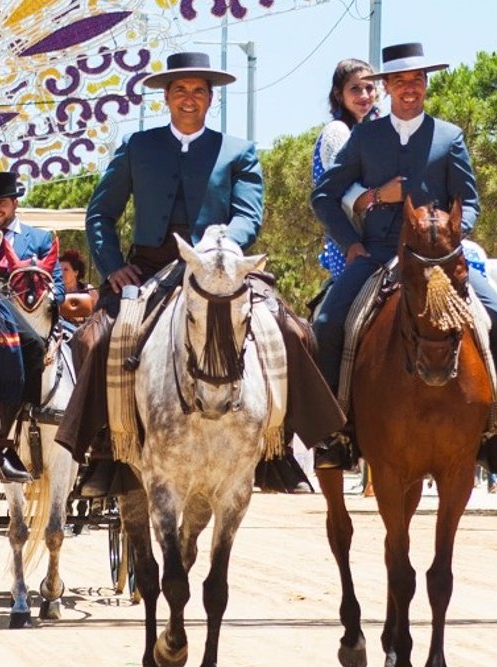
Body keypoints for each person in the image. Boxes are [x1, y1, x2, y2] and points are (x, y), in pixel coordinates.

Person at [55, 50, 344, 497]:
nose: (189, 99)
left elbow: (250, 215)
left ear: (211, 100)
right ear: (166, 98)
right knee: (94, 339)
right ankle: (104, 450)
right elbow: (100, 215)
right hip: (149, 267)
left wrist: (223, 245)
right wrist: (114, 267)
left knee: (294, 332)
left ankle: (280, 450)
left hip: (219, 266)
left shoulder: (239, 152)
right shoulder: (138, 147)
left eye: (199, 92)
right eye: (180, 91)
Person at [308, 42, 497, 475]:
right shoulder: (364, 137)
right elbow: (324, 196)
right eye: (401, 81)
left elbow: (472, 200)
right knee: (327, 325)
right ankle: (335, 433)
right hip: (379, 254)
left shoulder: (449, 136)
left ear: (425, 85)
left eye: (417, 80)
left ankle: (495, 430)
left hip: (441, 258)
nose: (410, 88)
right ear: (387, 87)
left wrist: (453, 233)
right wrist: (351, 243)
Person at [0, 169, 61, 458]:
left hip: (32, 319)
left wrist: (40, 298)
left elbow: (59, 286)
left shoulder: (39, 239)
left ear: (15, 204)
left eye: (3, 201)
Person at [312, 58, 378, 281]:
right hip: (348, 241)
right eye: (355, 89)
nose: (364, 95)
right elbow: (344, 189)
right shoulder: (337, 131)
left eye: (369, 88)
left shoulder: (367, 132)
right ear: (339, 95)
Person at [58, 248, 98, 323]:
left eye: (66, 269)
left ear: (76, 272)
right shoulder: (56, 292)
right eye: (59, 269)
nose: (61, 273)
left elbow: (98, 317)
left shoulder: (89, 291)